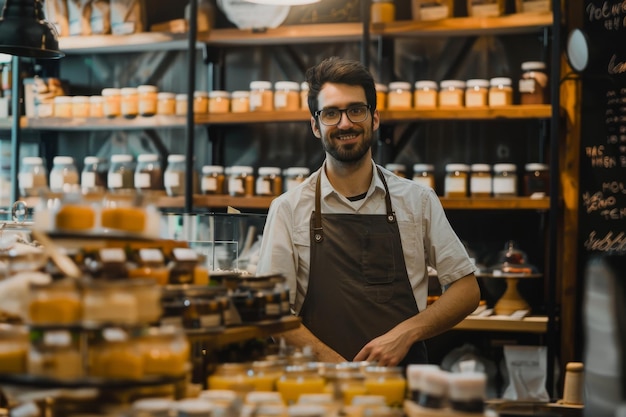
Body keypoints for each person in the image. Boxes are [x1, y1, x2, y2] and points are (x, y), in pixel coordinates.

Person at [256, 57, 480, 366]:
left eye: (356, 110)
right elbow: (272, 313)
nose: (345, 123)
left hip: (402, 388)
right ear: (315, 126)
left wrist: (406, 333)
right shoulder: (288, 209)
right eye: (331, 113)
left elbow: (466, 290)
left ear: (374, 119)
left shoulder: (418, 201)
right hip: (320, 392)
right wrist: (341, 369)